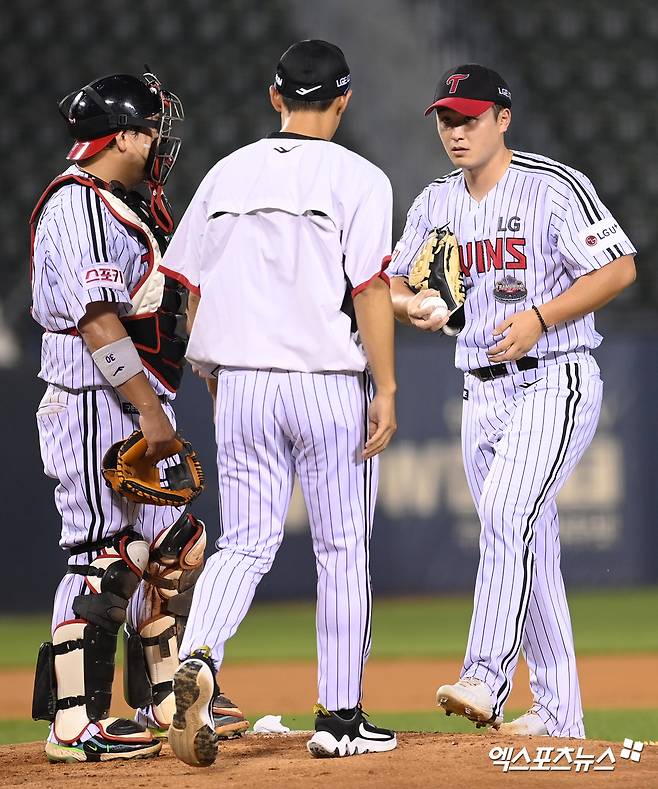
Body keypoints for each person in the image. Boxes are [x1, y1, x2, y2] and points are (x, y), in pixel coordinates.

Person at [159, 39, 398, 766]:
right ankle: (341, 719)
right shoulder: (362, 177)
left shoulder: (227, 171)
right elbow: (370, 289)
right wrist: (385, 386)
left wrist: (208, 367)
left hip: (242, 384)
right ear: (345, 99)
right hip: (325, 382)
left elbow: (186, 290)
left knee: (246, 541)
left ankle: (197, 655)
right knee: (341, 547)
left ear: (275, 97)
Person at [388, 64, 636, 738]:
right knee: (530, 543)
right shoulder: (435, 201)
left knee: (505, 511)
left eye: (469, 117)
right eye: (446, 118)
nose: (456, 130)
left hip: (555, 374)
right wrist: (416, 305)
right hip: (480, 390)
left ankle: (486, 676)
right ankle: (560, 714)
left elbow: (619, 268)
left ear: (503, 119)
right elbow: (387, 284)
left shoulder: (551, 186)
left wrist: (541, 318)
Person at [29, 71, 246, 763]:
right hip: (95, 400)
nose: (159, 140)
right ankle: (74, 721)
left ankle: (163, 696)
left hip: (134, 402)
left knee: (176, 548)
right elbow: (96, 322)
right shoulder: (79, 205)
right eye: (151, 128)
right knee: (106, 555)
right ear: (121, 135)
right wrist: (149, 410)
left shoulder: (133, 204)